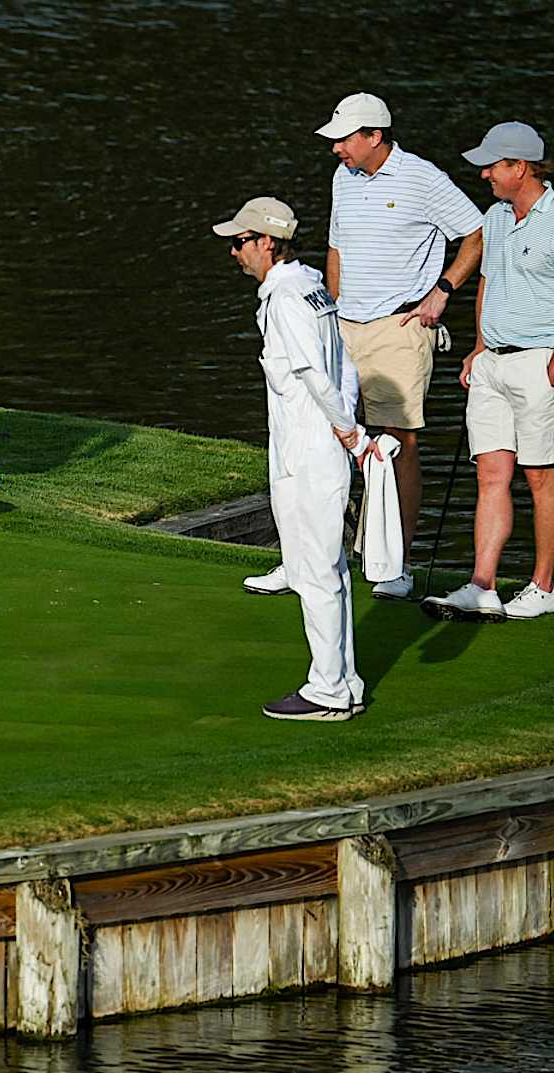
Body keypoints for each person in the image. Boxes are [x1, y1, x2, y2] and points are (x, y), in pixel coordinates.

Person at [247, 93, 483, 601]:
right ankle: (305, 556)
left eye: (343, 140)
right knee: (321, 434)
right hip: (343, 325)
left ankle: (393, 566)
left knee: (398, 445)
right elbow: (336, 247)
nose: (336, 150)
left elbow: (477, 233)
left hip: (399, 327)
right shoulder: (344, 177)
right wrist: (329, 312)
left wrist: (441, 293)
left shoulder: (423, 177)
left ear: (375, 136)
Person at [424, 123, 554, 622]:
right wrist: (479, 348)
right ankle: (483, 585)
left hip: (541, 364)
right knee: (492, 475)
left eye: (493, 166)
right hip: (494, 364)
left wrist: (553, 374)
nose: (484, 174)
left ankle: (544, 587)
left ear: (519, 168)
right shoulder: (497, 217)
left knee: (540, 474)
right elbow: (488, 284)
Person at [216, 197, 370, 721]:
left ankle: (327, 690)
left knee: (315, 571)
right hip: (314, 445)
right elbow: (344, 365)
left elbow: (314, 372)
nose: (235, 252)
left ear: (267, 242)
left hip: (309, 452)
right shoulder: (309, 286)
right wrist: (347, 424)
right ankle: (345, 679)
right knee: (330, 569)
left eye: (240, 243)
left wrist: (348, 431)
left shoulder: (285, 298)